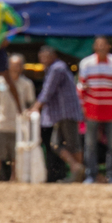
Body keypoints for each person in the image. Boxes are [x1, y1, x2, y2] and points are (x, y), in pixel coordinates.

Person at [78, 35, 112, 185]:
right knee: (90, 144)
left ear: (108, 46)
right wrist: (82, 108)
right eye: (97, 45)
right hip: (91, 110)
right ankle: (91, 176)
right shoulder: (86, 63)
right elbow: (81, 88)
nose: (100, 47)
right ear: (94, 47)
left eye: (103, 44)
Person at [32, 43, 82, 181]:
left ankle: (80, 174)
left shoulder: (57, 68)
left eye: (46, 57)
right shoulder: (54, 68)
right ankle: (77, 168)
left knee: (72, 145)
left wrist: (35, 107)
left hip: (66, 113)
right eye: (41, 57)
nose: (44, 60)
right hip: (59, 115)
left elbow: (47, 92)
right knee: (55, 144)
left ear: (53, 56)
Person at [0, 52, 33, 182]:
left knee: (16, 154)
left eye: (18, 65)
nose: (15, 68)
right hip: (1, 122)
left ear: (22, 67)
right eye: (12, 65)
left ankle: (15, 178)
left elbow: (30, 103)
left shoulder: (27, 84)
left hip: (18, 124)